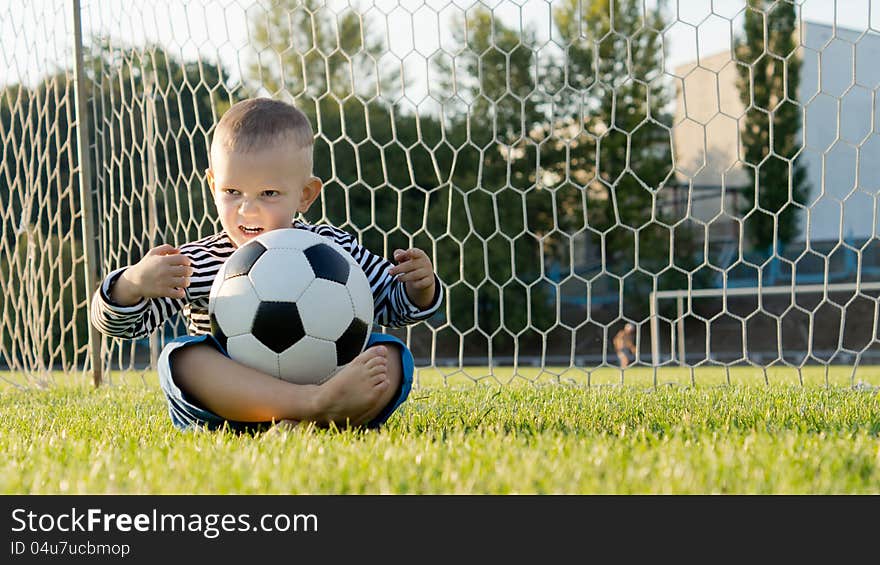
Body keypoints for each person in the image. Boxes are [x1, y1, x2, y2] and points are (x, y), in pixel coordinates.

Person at [90, 97, 443, 433]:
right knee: (178, 359)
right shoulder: (196, 261)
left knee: (390, 356)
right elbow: (124, 325)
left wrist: (419, 288)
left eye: (269, 194)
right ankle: (314, 406)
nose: (247, 209)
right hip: (231, 408)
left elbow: (390, 303)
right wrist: (133, 284)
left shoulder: (333, 249)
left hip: (324, 373)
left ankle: (312, 413)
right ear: (213, 185)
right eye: (232, 192)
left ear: (305, 194)